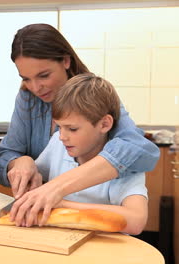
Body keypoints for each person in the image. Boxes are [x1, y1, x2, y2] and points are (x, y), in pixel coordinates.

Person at [0, 23, 159, 227]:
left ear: (65, 61)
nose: (35, 87)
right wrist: (20, 162)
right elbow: (7, 154)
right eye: (26, 79)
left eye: (44, 75)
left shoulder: (93, 96)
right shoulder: (30, 102)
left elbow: (137, 148)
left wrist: (57, 191)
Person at [34, 73, 147, 235]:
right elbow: (38, 175)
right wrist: (26, 166)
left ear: (104, 124)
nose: (62, 136)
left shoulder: (125, 160)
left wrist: (63, 205)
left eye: (72, 129)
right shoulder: (58, 144)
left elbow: (136, 221)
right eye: (59, 127)